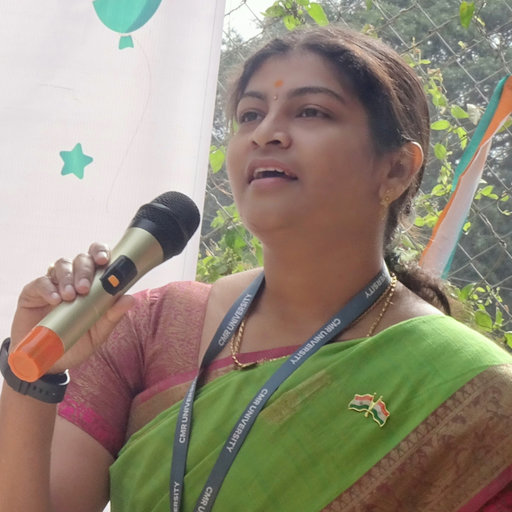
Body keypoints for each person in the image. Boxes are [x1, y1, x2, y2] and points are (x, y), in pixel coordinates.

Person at [1, 25, 511, 512]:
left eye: (311, 112)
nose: (265, 133)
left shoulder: (471, 389)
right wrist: (35, 376)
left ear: (395, 169)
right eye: (250, 114)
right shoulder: (157, 325)